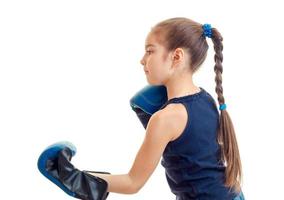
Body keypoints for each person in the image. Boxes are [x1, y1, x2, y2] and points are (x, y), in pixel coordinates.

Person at [38, 17, 245, 200]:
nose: (142, 60)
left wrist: (73, 176)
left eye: (150, 51)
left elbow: (132, 182)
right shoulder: (206, 98)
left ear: (177, 56)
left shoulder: (166, 118)